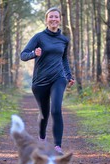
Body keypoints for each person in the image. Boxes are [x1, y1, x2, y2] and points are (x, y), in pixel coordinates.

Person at [20, 7, 75, 154]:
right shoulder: (39, 37)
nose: (54, 19)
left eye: (56, 17)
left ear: (59, 20)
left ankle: (57, 146)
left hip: (58, 78)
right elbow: (23, 55)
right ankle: (42, 139)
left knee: (56, 109)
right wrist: (33, 53)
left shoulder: (64, 40)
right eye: (51, 17)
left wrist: (68, 76)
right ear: (46, 20)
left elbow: (64, 60)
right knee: (44, 113)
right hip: (40, 81)